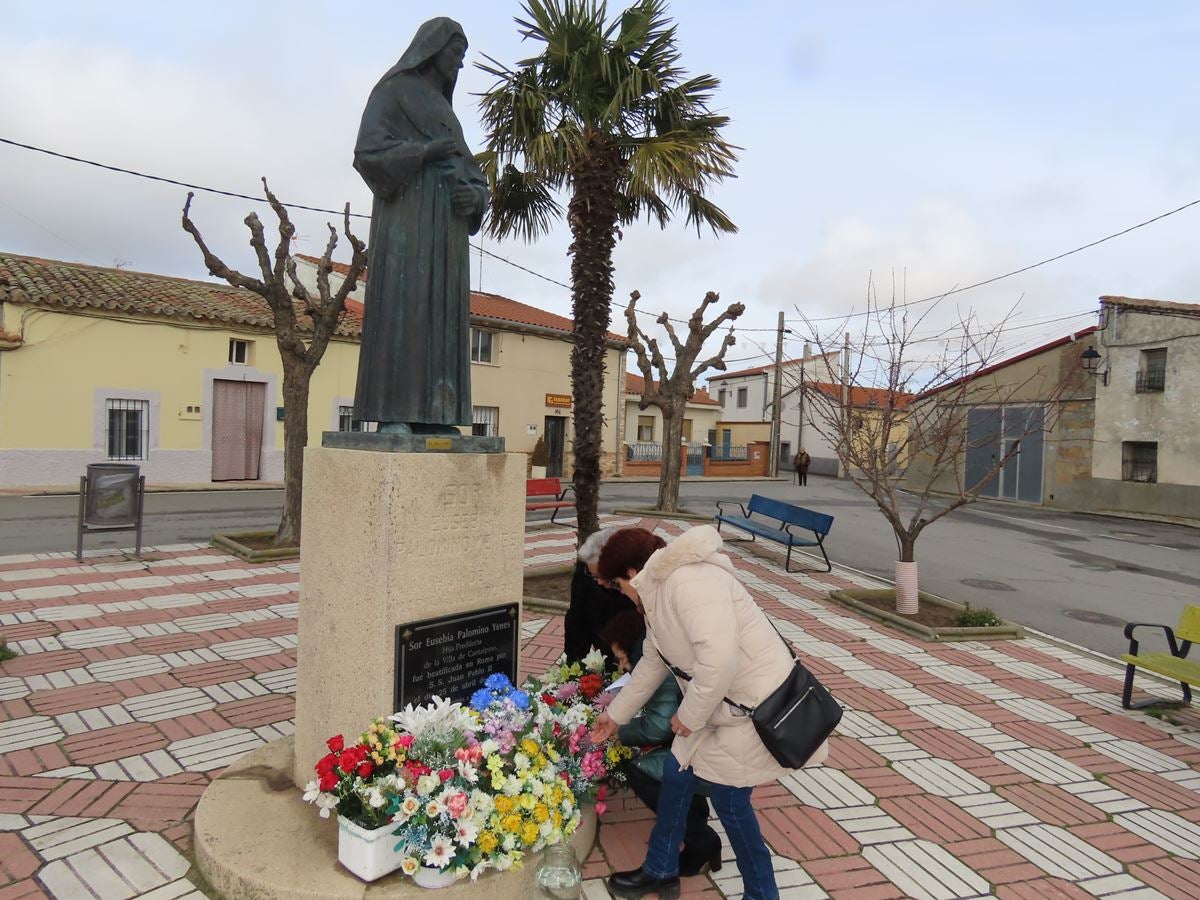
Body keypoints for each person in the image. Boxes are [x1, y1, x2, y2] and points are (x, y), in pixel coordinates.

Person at [590, 526, 828, 900]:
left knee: (730, 801)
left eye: (619, 585)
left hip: (756, 707)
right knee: (676, 770)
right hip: (720, 705)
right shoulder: (658, 596)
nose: (622, 594)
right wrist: (614, 716)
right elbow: (652, 664)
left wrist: (689, 717)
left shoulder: (689, 583)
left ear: (633, 574)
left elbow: (719, 662)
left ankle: (762, 895)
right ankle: (661, 870)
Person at [351, 18, 490, 433]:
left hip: (446, 234)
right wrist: (426, 151)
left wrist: (475, 199)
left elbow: (475, 176)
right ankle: (394, 413)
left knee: (443, 317)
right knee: (405, 307)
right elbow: (368, 154)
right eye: (456, 55)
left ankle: (437, 415)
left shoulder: (446, 112)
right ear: (433, 49)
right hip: (407, 223)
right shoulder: (392, 93)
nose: (459, 66)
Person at [598, 610, 722, 877]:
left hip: (715, 755)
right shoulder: (669, 647)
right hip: (711, 742)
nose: (621, 667)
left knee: (641, 769)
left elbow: (658, 726)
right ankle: (696, 818)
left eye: (622, 659)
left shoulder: (658, 663)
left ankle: (701, 839)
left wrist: (620, 732)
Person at [563, 529, 636, 664]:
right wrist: (575, 664)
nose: (599, 581)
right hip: (602, 648)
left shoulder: (633, 582)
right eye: (594, 575)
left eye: (603, 575)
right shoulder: (585, 571)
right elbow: (576, 619)